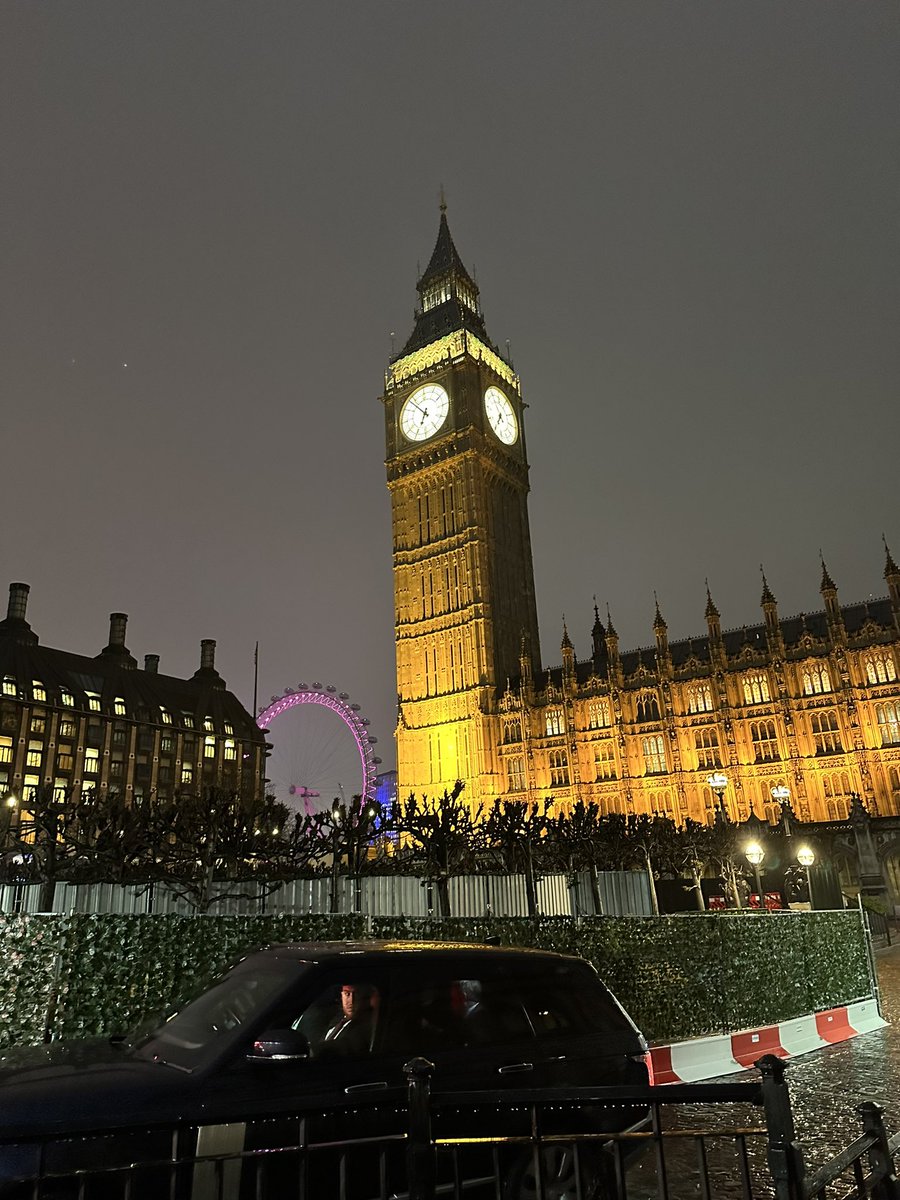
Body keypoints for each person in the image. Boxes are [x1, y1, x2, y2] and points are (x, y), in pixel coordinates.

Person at [320, 983, 378, 1055]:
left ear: (364, 998)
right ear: (341, 996)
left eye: (356, 994)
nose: (351, 1001)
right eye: (347, 994)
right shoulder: (337, 1018)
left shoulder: (363, 1028)